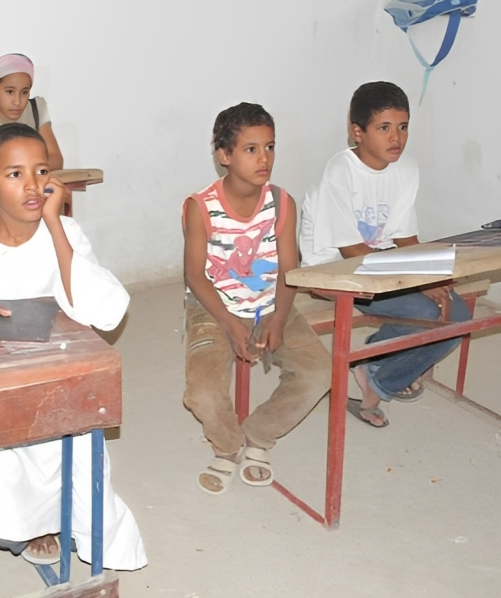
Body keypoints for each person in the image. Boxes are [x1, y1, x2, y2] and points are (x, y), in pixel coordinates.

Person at [0, 123, 147, 571]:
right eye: (15, 174)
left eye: (40, 171)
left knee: (81, 463)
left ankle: (66, 524)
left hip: (55, 376)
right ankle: (29, 521)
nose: (32, 185)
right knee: (5, 524)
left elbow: (104, 311)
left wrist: (55, 226)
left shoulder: (64, 232)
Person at [300, 81, 470, 428]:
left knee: (459, 313)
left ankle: (374, 370)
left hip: (380, 264)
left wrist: (432, 275)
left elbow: (406, 238)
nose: (397, 138)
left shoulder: (406, 170)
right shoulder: (340, 172)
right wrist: (414, 281)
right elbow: (350, 252)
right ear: (357, 132)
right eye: (384, 128)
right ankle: (378, 375)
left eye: (403, 127)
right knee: (424, 308)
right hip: (334, 271)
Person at [182, 103, 331, 495]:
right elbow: (195, 275)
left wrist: (278, 319)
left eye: (270, 147)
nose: (264, 158)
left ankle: (260, 436)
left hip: (270, 302)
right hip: (213, 308)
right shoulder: (202, 207)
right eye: (251, 149)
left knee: (320, 372)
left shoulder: (282, 203)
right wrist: (231, 325)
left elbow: (288, 269)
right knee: (202, 391)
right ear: (224, 155)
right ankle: (228, 446)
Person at [0, 53, 63, 171]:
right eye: (10, 92)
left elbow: (56, 160)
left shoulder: (36, 110)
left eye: (24, 93)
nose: (17, 102)